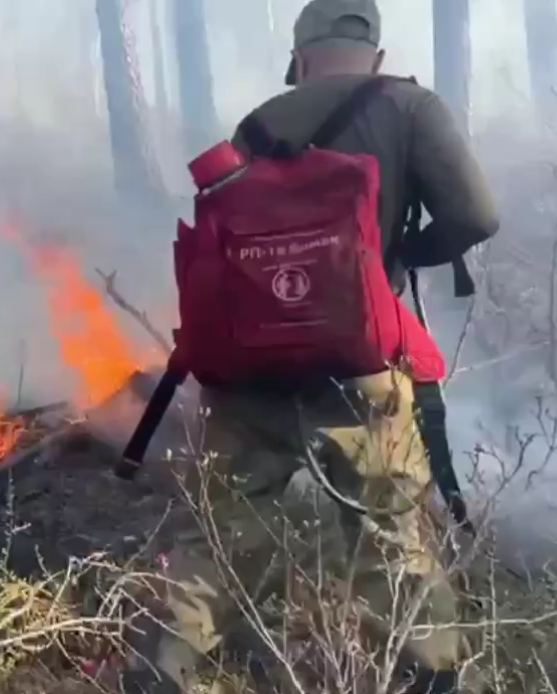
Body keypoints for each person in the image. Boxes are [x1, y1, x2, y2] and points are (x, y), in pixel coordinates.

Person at [120, 1, 500, 692]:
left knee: (221, 536)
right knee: (390, 541)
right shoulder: (410, 108)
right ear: (377, 57)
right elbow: (478, 214)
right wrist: (407, 252)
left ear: (299, 59)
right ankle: (431, 677)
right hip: (358, 375)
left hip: (249, 375)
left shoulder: (259, 125)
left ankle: (163, 669)